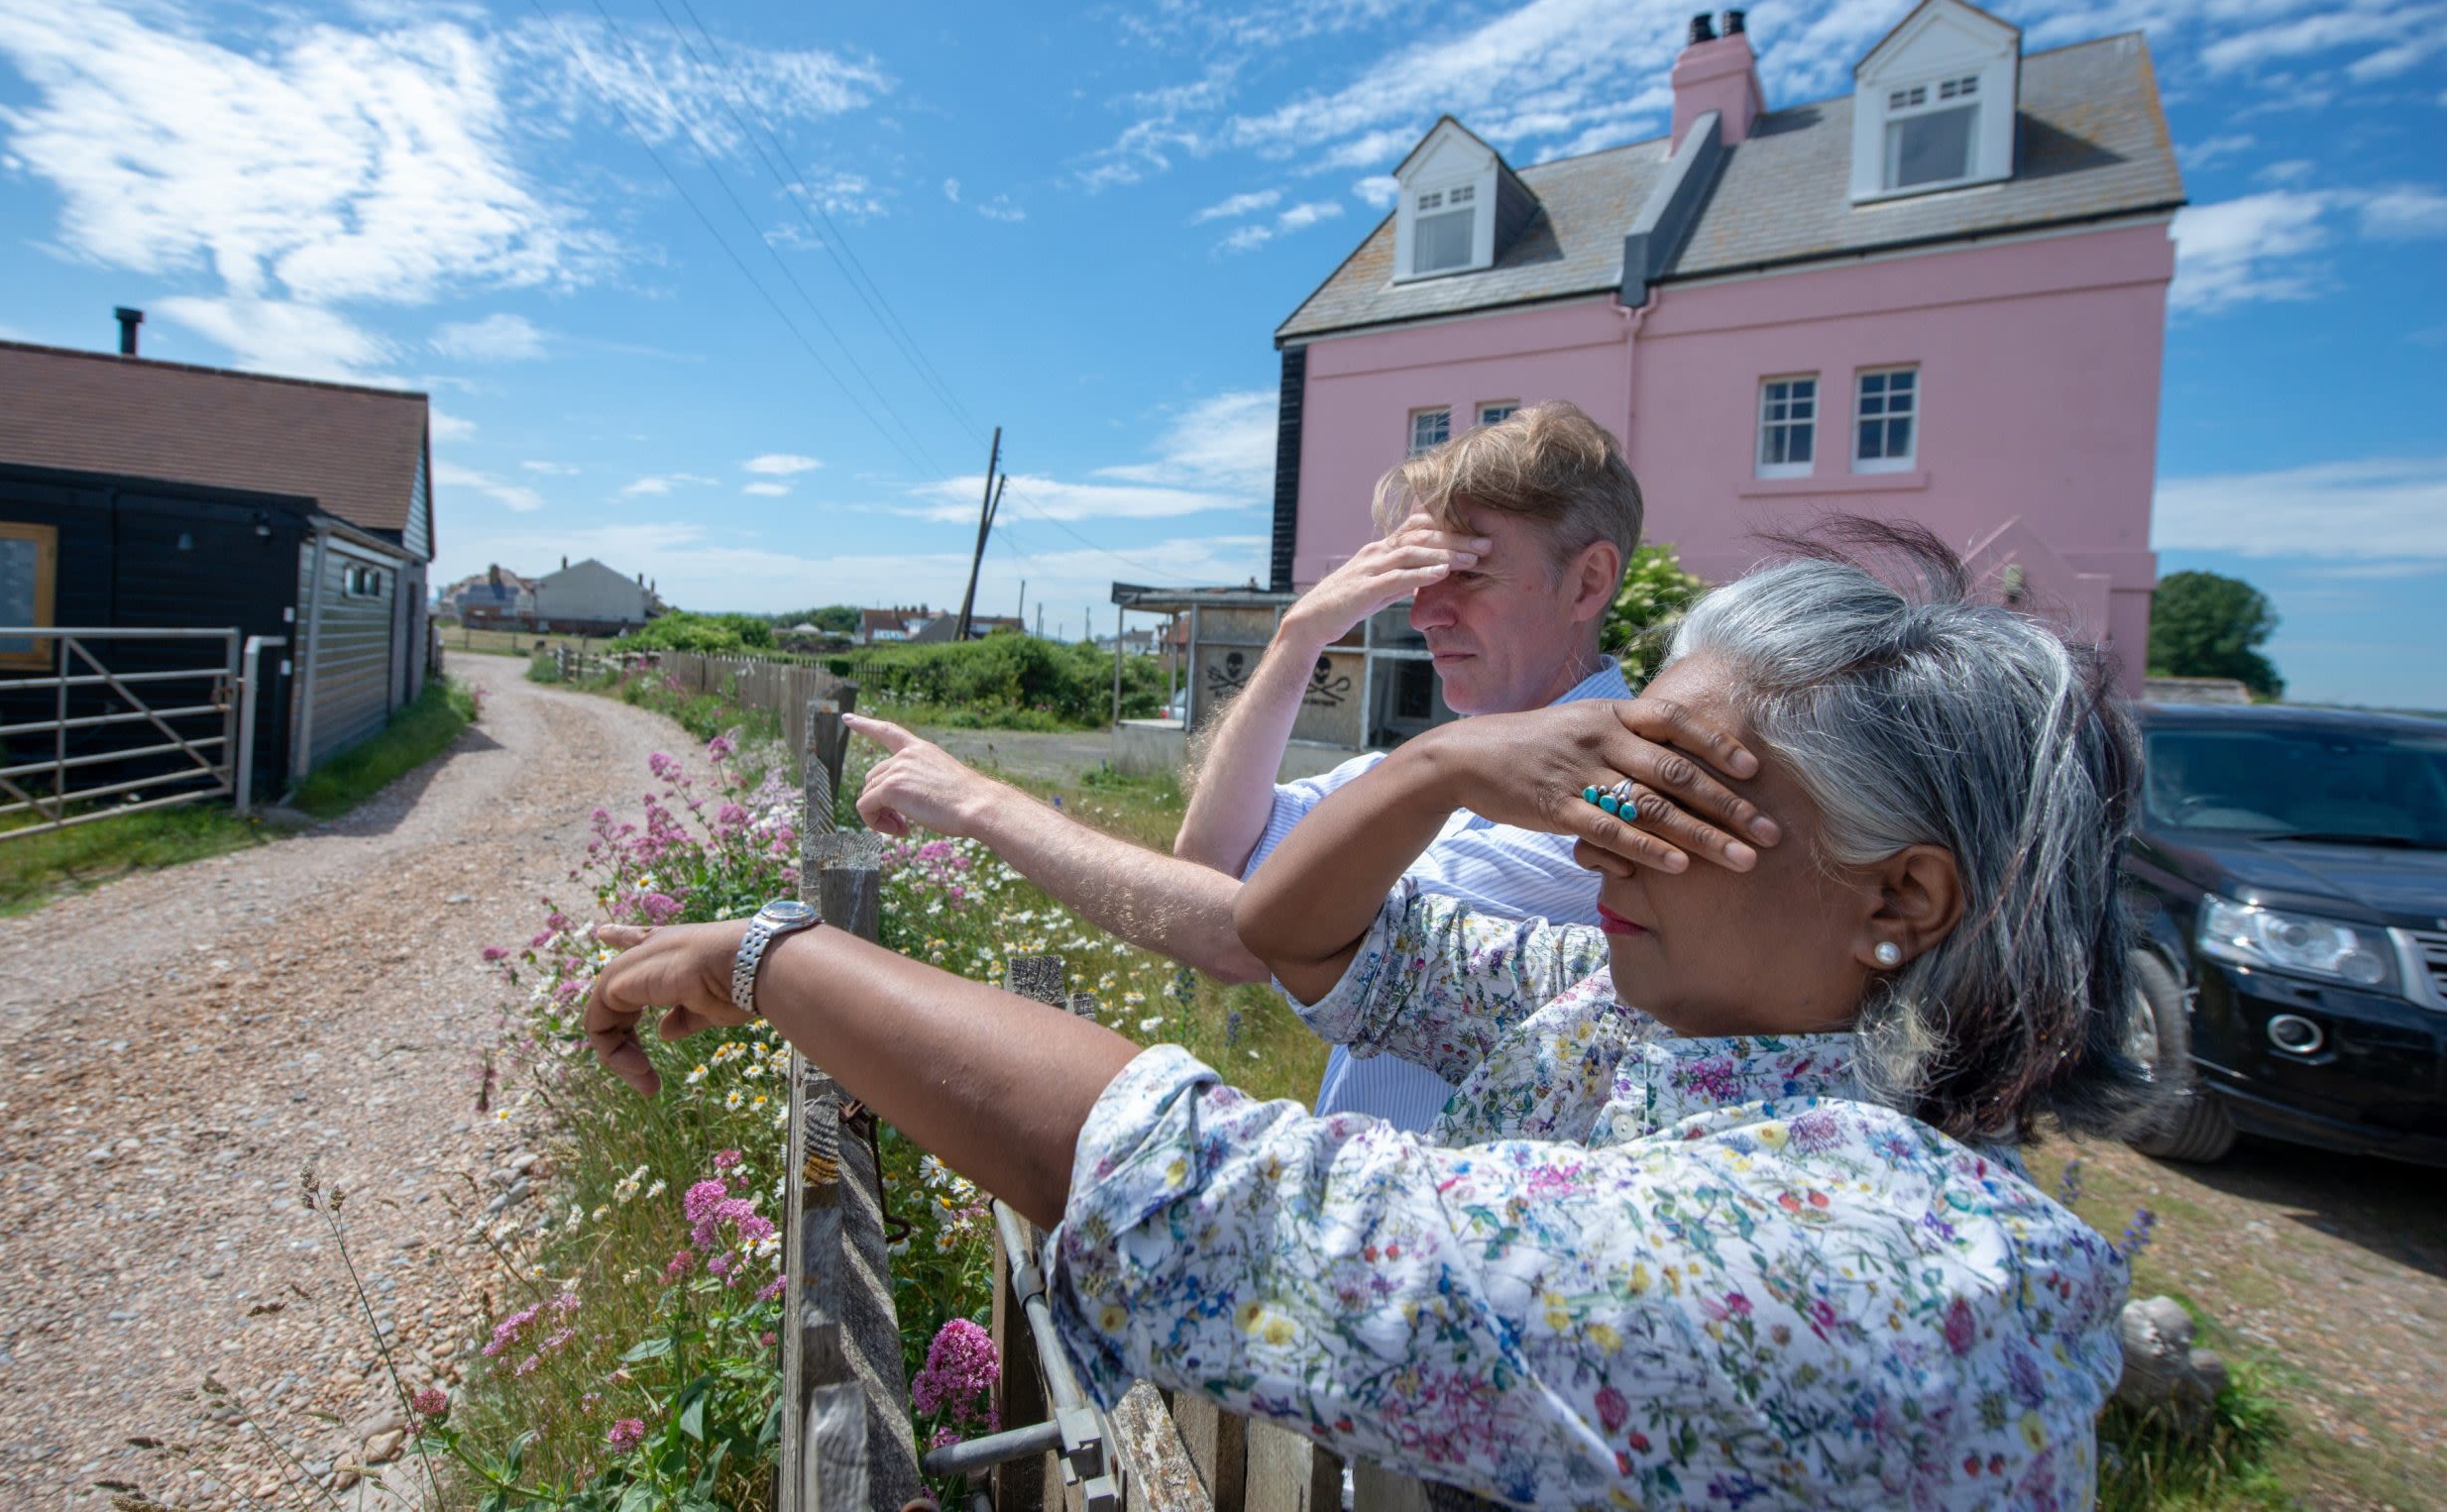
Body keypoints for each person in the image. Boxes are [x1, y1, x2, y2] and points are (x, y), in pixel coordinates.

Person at [587, 521, 2153, 1509]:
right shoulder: (1670, 1031)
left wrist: (765, 957)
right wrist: (1436, 766)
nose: (1605, 823)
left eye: (1678, 794)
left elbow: (1195, 1185)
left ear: (1902, 902)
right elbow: (1298, 935)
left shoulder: (1845, 1265)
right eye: (1617, 768)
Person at [851, 400, 1667, 1130]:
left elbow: (1246, 934)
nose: (1422, 611)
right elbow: (1216, 852)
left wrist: (977, 802)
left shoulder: (1601, 805)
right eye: (1413, 577)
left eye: (1463, 573)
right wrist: (1299, 636)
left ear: (1587, 580)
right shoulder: (1442, 771)